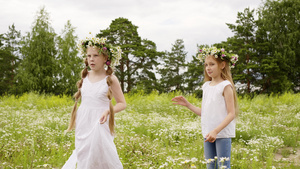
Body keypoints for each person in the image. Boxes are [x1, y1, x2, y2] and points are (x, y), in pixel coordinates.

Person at [62, 34, 126, 169]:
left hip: (100, 121)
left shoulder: (110, 79)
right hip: (84, 121)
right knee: (83, 154)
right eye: (89, 56)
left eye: (96, 56)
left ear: (105, 58)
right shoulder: (85, 76)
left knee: (102, 154)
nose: (91, 59)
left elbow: (122, 103)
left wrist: (108, 111)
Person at [172, 47, 239, 169]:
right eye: (206, 65)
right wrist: (188, 104)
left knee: (223, 166)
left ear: (222, 65)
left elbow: (231, 114)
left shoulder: (225, 86)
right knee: (210, 166)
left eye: (212, 64)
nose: (208, 68)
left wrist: (216, 131)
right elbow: (205, 113)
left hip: (222, 134)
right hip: (208, 133)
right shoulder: (206, 86)